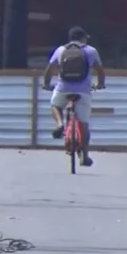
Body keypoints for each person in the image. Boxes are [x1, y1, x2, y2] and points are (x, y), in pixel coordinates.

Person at [42, 26, 106, 167]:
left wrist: (46, 84)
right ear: (83, 38)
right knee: (84, 124)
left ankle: (60, 124)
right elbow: (100, 71)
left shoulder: (61, 50)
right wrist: (100, 84)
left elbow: (49, 69)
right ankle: (85, 155)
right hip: (83, 91)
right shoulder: (91, 51)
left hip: (63, 88)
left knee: (55, 105)